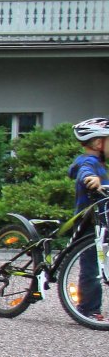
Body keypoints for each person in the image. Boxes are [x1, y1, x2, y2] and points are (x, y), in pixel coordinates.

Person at [69, 118, 109, 320]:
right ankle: (88, 308)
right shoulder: (88, 161)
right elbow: (83, 171)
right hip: (89, 222)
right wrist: (90, 179)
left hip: (102, 222)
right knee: (92, 267)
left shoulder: (101, 164)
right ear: (98, 143)